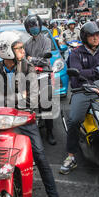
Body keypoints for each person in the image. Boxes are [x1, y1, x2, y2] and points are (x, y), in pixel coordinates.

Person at [0, 31, 72, 197]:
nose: (22, 50)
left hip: (24, 119)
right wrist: (18, 97)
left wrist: (11, 99)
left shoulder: (29, 68)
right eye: (18, 48)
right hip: (0, 117)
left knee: (41, 156)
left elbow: (33, 99)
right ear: (7, 51)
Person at [59, 22, 99, 175]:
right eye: (92, 36)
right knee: (75, 120)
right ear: (85, 37)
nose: (95, 38)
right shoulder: (76, 53)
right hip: (82, 91)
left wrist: (89, 73)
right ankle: (71, 156)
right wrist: (98, 71)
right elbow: (77, 76)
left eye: (97, 35)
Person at [24, 14, 57, 145]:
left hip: (44, 75)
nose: (33, 28)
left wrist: (32, 60)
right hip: (31, 76)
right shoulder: (26, 44)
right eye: (31, 27)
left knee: (47, 104)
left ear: (40, 26)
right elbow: (24, 59)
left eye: (35, 26)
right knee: (25, 103)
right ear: (27, 29)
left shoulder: (47, 40)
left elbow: (45, 60)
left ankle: (50, 132)